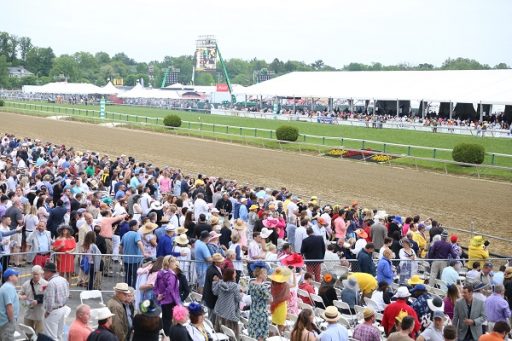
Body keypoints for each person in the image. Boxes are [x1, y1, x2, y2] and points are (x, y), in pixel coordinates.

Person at [153, 255, 181, 337]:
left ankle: (166, 335)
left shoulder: (160, 273)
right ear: (169, 263)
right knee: (169, 320)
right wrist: (163, 295)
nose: (175, 263)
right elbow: (170, 288)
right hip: (171, 300)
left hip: (163, 300)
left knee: (165, 319)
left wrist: (159, 295)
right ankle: (168, 336)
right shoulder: (171, 275)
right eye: (173, 261)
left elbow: (155, 286)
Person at [42, 262, 70, 341]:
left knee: (51, 336)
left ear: (49, 272)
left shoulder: (51, 283)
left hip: (53, 311)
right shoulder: (63, 279)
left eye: (45, 272)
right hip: (62, 308)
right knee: (59, 335)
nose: (44, 274)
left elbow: (50, 300)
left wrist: (47, 312)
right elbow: (68, 294)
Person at [213, 268, 241, 339]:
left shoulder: (220, 283)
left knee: (221, 333)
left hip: (220, 310)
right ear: (231, 275)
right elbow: (238, 299)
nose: (236, 275)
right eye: (234, 273)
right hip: (230, 313)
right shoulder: (235, 286)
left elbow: (215, 292)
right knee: (231, 335)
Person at [19, 265, 47, 334]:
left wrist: (38, 301)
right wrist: (21, 297)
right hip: (28, 313)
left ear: (41, 274)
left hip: (40, 314)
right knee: (28, 334)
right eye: (33, 274)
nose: (35, 276)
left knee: (39, 334)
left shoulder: (46, 284)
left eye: (37, 274)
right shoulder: (26, 284)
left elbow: (48, 297)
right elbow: (19, 294)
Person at [248, 262, 271, 340]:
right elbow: (270, 300)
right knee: (260, 334)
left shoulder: (251, 283)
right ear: (261, 274)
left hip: (253, 310)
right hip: (261, 312)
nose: (266, 275)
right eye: (265, 273)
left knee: (254, 332)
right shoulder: (262, 287)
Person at [120, 221, 146, 287]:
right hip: (135, 260)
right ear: (133, 226)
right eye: (137, 225)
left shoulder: (125, 235)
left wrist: (122, 254)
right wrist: (144, 253)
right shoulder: (136, 234)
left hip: (126, 259)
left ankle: (127, 289)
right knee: (135, 276)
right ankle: (134, 290)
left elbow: (120, 246)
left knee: (128, 275)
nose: (138, 226)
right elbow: (139, 243)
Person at [270, 266, 292, 334]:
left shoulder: (273, 284)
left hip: (274, 305)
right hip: (281, 306)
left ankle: (271, 337)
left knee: (273, 323)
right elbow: (288, 296)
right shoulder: (285, 285)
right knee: (280, 325)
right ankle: (278, 337)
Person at [0, 269, 20, 341]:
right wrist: (12, 321)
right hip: (7, 323)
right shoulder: (9, 288)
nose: (18, 277)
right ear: (10, 277)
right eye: (16, 275)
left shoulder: (5, 287)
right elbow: (9, 306)